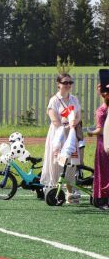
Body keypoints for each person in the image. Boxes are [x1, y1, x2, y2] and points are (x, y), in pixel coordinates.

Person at [40, 73, 82, 203]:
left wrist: (74, 123)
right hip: (58, 135)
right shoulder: (54, 100)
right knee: (56, 162)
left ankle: (70, 193)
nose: (68, 85)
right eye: (65, 82)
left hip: (71, 134)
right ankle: (53, 191)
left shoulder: (74, 99)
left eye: (70, 82)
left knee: (70, 163)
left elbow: (79, 115)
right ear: (58, 84)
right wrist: (64, 126)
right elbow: (54, 119)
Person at [87, 82, 109, 210]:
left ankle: (103, 199)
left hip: (103, 143)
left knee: (104, 172)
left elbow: (100, 130)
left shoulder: (101, 110)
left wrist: (90, 132)